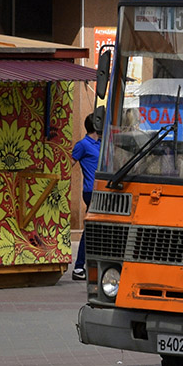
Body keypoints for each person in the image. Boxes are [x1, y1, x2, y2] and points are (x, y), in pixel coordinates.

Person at [71, 113, 100, 281]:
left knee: (96, 229)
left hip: (103, 190)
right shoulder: (82, 145)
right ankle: (79, 267)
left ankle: (87, 265)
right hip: (91, 191)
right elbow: (70, 163)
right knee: (90, 229)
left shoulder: (102, 143)